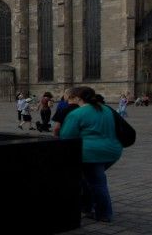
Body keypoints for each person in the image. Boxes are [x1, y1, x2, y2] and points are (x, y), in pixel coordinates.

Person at [60, 86, 122, 223]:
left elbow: (66, 136)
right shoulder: (106, 109)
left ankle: (104, 213)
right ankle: (86, 207)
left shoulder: (77, 113)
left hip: (91, 153)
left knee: (97, 182)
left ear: (77, 98)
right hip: (113, 151)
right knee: (88, 179)